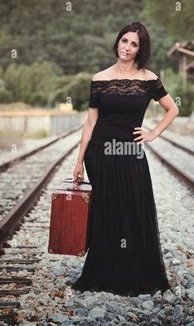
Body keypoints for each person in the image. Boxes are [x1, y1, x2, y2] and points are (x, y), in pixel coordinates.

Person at [71, 21, 179, 296]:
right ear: (118, 41)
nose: (127, 48)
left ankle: (135, 273)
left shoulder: (148, 79)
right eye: (124, 41)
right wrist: (79, 160)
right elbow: (90, 121)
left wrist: (153, 133)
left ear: (140, 49)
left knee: (134, 207)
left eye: (134, 44)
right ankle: (103, 274)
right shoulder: (99, 78)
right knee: (106, 210)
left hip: (130, 151)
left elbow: (172, 109)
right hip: (100, 152)